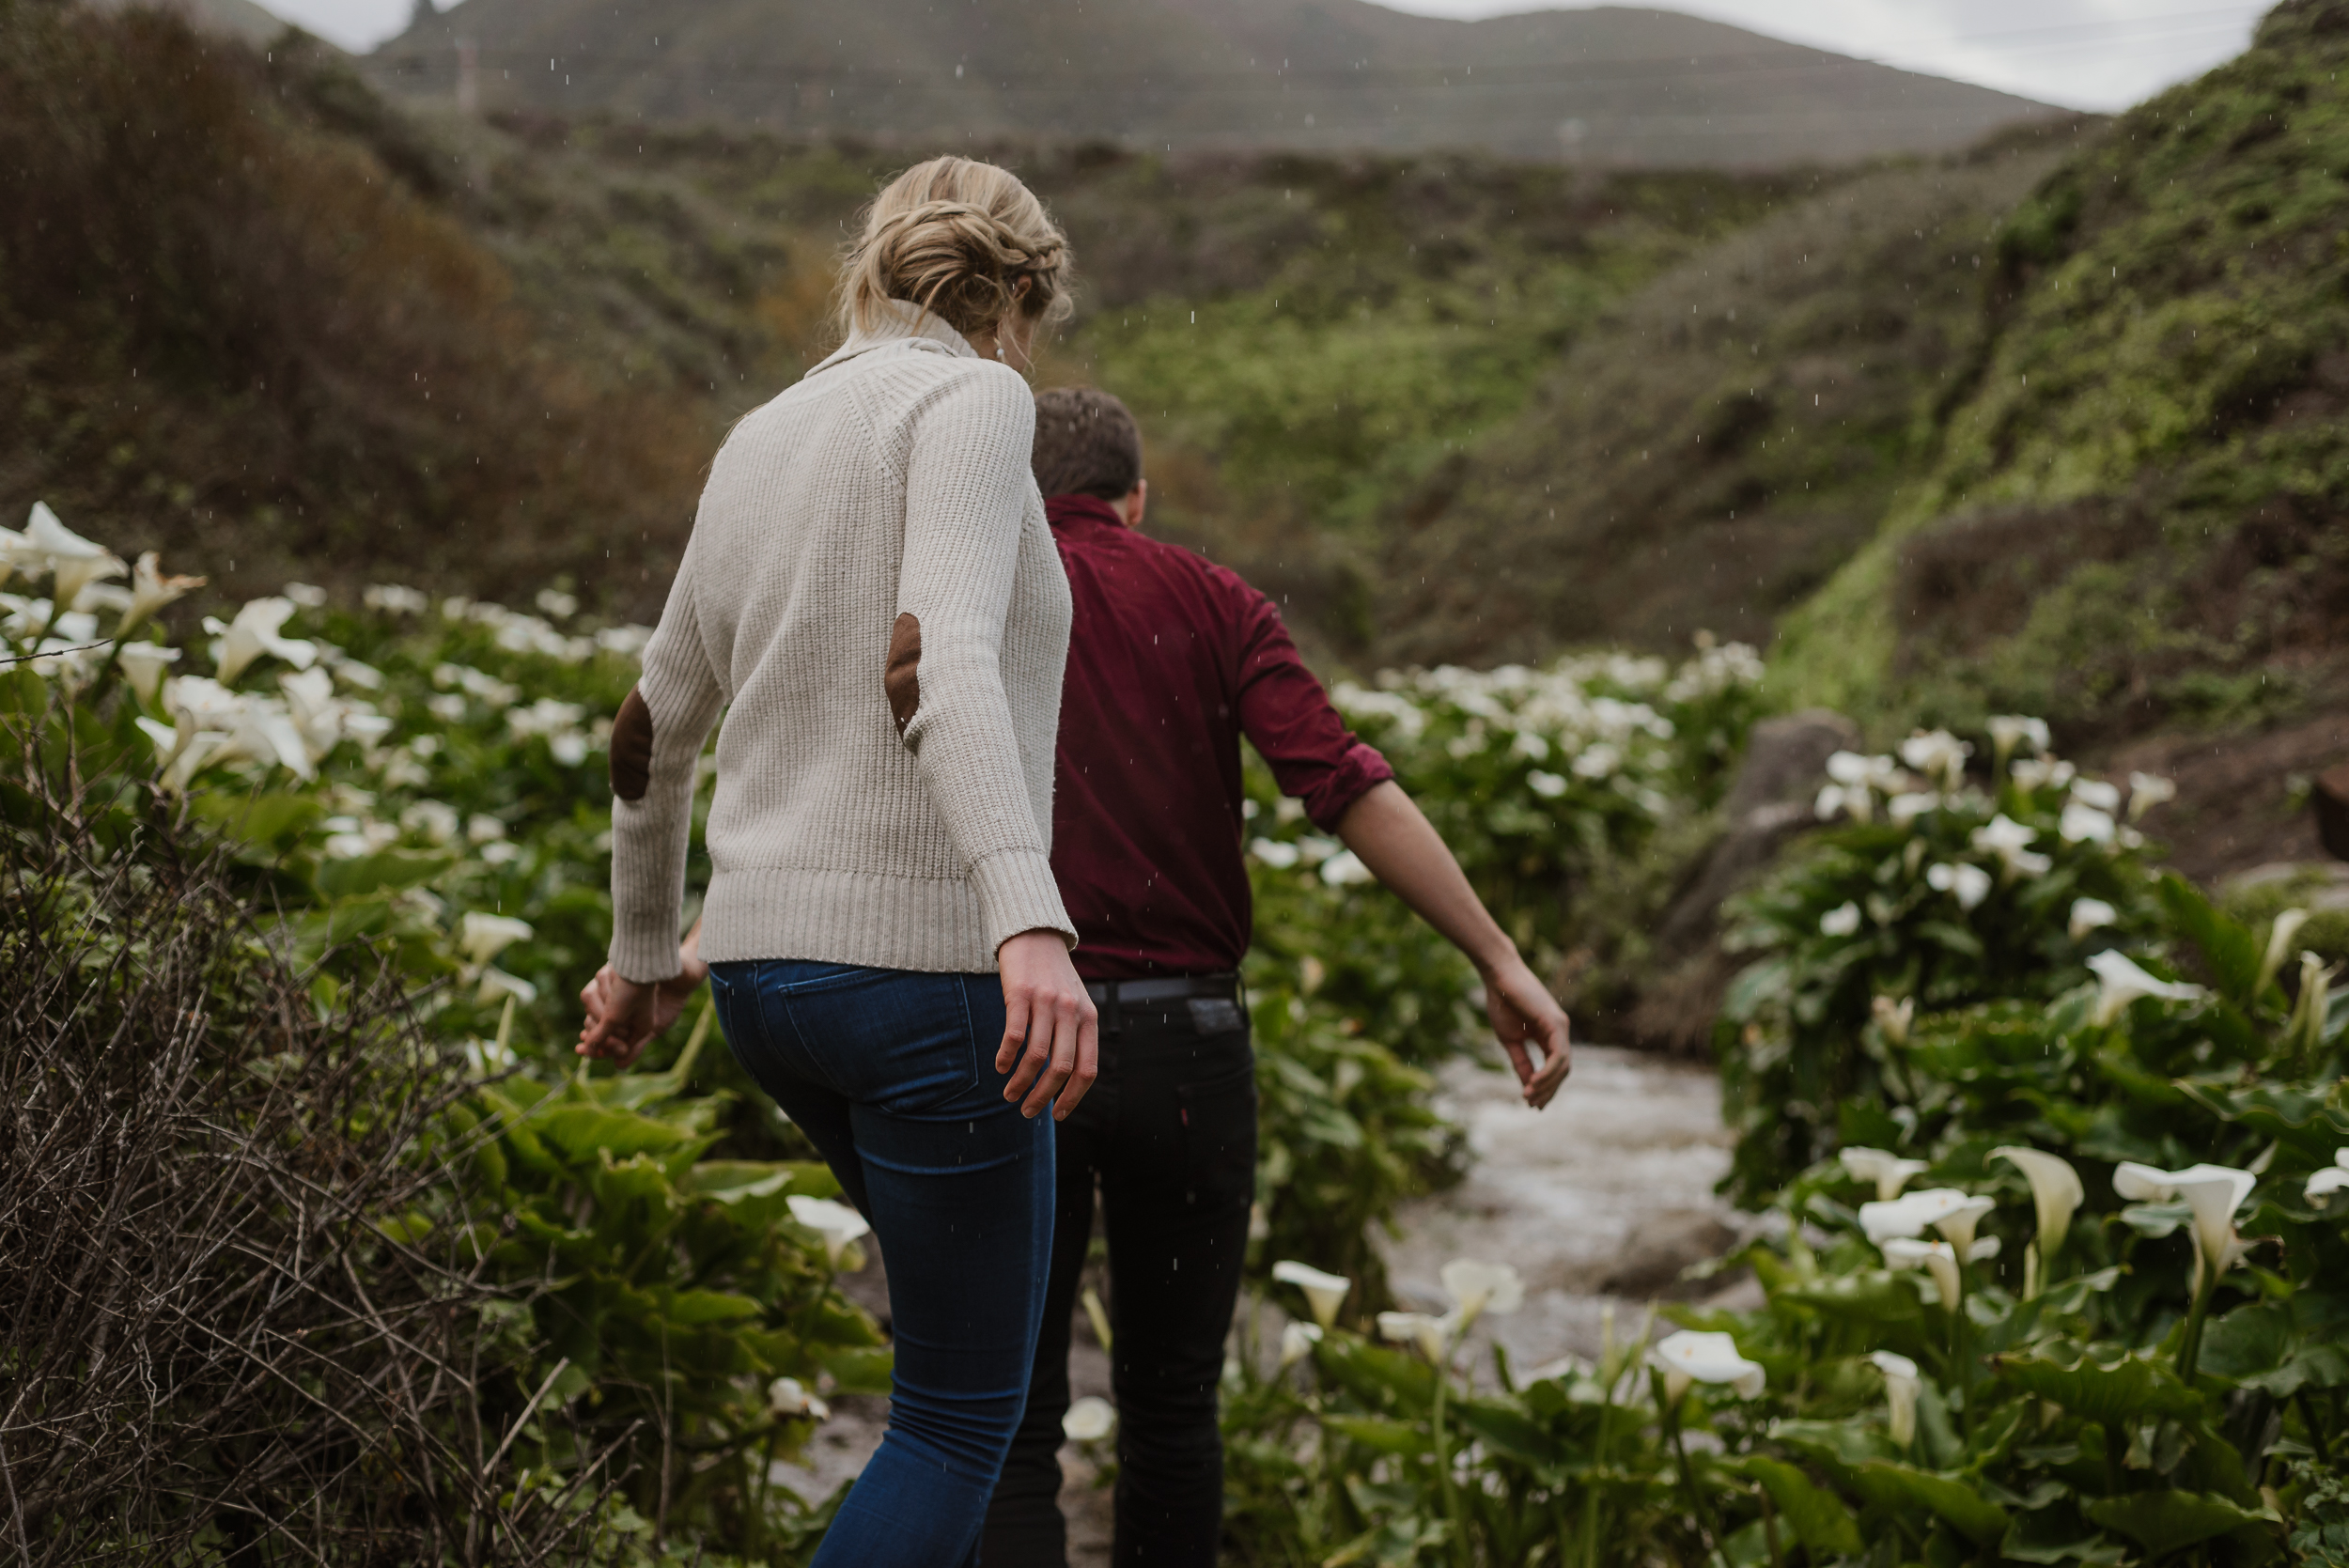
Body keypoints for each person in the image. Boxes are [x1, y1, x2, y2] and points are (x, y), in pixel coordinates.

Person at [574, 156, 1100, 1568]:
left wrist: (641, 960)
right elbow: (936, 664)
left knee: (951, 1342)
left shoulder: (762, 431)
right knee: (955, 1417)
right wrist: (1028, 920)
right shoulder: (976, 399)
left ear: (871, 265)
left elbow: (651, 722)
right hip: (927, 982)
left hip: (764, 987)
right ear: (1025, 298)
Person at [980, 387, 1574, 1568]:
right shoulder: (1210, 598)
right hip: (1185, 1052)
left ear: (1001, 490)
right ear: (1136, 501)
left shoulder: (967, 600)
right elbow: (1343, 782)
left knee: (1009, 1421)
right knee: (1170, 1409)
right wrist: (1497, 956)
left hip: (1017, 1039)